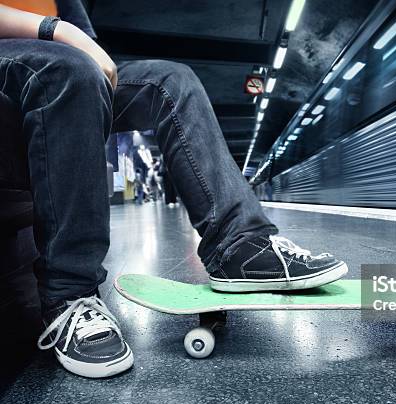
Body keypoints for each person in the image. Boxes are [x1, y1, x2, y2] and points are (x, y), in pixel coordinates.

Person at [0, 1, 348, 379]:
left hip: (60, 61)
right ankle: (69, 295)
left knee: (171, 80)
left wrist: (73, 41)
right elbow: (73, 45)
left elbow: (93, 51)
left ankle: (238, 246)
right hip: (27, 66)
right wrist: (55, 29)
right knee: (71, 70)